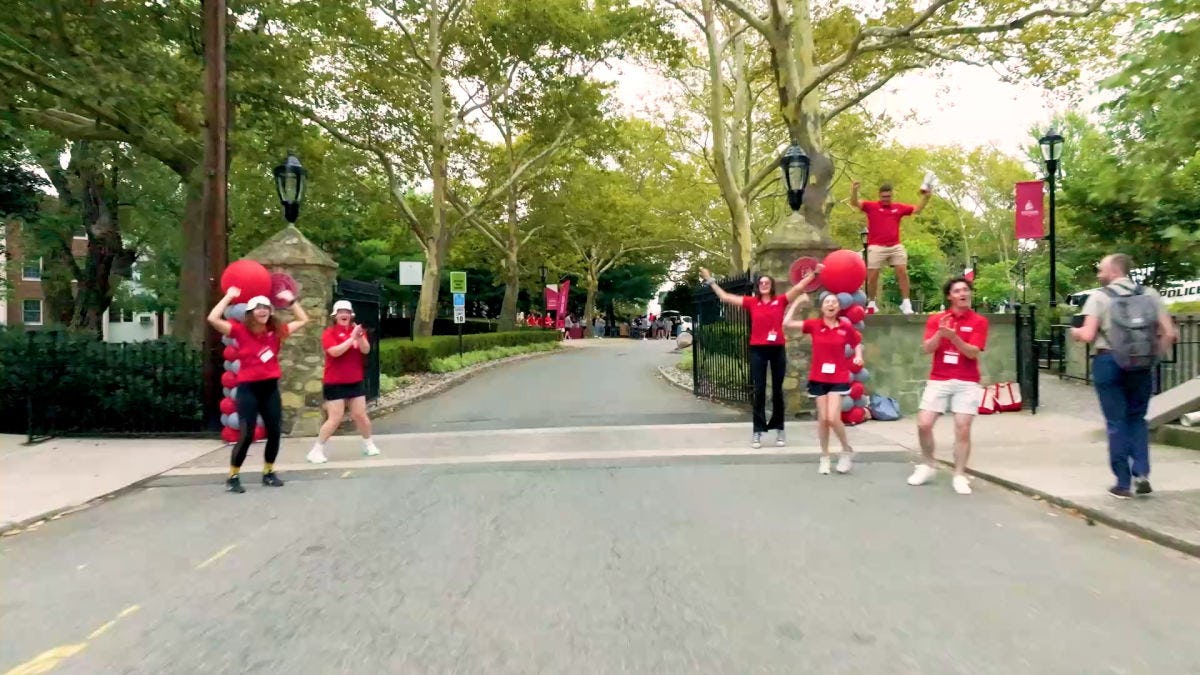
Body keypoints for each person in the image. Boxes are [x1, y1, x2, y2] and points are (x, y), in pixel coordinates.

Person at [1070, 254, 1177, 499]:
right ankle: (1142, 473)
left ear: (1114, 271)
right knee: (1138, 418)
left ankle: (1122, 483)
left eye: (1101, 270)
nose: (1099, 274)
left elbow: (1087, 335)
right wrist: (1153, 356)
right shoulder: (1150, 295)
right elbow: (1169, 332)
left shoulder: (1099, 297)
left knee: (1116, 422)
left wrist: (1074, 332)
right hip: (1141, 364)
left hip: (1109, 361)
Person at [699, 266, 818, 448]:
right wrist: (710, 279)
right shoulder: (752, 302)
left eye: (766, 282)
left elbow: (799, 287)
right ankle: (757, 431)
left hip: (777, 349)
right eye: (761, 282)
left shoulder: (781, 301)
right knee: (760, 390)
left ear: (771, 286)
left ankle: (779, 429)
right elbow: (725, 297)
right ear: (758, 286)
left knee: (777, 391)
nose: (763, 284)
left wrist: (814, 274)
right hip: (758, 351)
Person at [207, 286, 309, 493]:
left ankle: (268, 472)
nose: (263, 311)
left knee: (274, 432)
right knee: (247, 434)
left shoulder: (275, 332)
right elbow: (213, 318)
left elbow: (303, 319)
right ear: (251, 312)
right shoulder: (240, 330)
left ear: (270, 312)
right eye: (258, 308)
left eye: (266, 308)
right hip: (248, 390)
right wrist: (228, 297)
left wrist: (291, 302)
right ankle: (233, 476)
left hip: (269, 388)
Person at [908, 276, 988, 495]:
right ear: (949, 296)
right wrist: (940, 335)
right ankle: (927, 465)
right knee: (924, 424)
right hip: (940, 378)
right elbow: (926, 349)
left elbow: (973, 352)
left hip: (967, 380)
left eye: (965, 290)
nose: (963, 294)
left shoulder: (979, 321)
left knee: (962, 428)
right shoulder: (937, 319)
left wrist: (954, 338)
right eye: (957, 291)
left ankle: (960, 474)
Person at [784, 287, 864, 474]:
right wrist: (798, 302)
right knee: (823, 420)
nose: (831, 304)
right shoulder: (814, 325)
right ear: (822, 307)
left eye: (834, 302)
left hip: (838, 377)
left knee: (832, 418)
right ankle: (825, 456)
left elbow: (856, 342)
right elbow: (787, 323)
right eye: (827, 302)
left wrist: (858, 356)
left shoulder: (845, 327)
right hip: (818, 377)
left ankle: (846, 449)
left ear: (838, 307)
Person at [307, 300, 380, 464]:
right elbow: (334, 352)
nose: (344, 315)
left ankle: (369, 444)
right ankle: (316, 450)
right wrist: (350, 339)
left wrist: (359, 337)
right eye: (340, 312)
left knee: (360, 414)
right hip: (335, 381)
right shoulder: (329, 333)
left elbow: (366, 350)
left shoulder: (358, 332)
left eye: (347, 312)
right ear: (335, 316)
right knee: (335, 417)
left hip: (355, 380)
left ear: (351, 315)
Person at [850, 180, 931, 314]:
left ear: (891, 196)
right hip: (876, 246)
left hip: (895, 246)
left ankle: (906, 303)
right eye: (883, 197)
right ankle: (871, 302)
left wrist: (926, 197)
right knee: (872, 275)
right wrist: (854, 190)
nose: (886, 199)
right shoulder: (872, 206)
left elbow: (917, 210)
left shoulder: (898, 208)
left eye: (888, 197)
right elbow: (855, 203)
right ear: (879, 196)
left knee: (902, 271)